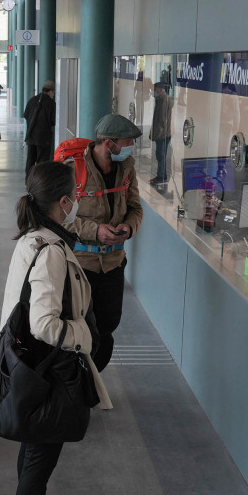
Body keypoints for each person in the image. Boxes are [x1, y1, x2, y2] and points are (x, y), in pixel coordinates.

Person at [0, 160, 110, 495]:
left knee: (33, 452)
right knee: (39, 458)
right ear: (63, 202)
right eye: (75, 195)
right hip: (45, 372)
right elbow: (43, 323)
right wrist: (82, 335)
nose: (79, 200)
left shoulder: (35, 238)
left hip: (29, 366)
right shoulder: (51, 253)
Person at [64, 114, 144, 371]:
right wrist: (94, 231)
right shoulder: (72, 169)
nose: (130, 145)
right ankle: (73, 384)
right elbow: (58, 219)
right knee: (77, 326)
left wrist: (128, 227)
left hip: (113, 265)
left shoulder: (127, 170)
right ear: (109, 143)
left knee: (106, 327)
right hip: (79, 265)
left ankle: (91, 382)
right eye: (127, 141)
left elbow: (135, 209)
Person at [23, 81, 57, 174]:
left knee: (30, 159)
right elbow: (53, 121)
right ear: (51, 91)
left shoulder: (32, 100)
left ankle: (28, 181)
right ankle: (40, 182)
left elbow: (25, 115)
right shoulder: (51, 103)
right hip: (43, 137)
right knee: (42, 161)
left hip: (31, 135)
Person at [149, 81, 172, 185]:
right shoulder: (161, 99)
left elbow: (162, 120)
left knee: (161, 155)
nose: (154, 91)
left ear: (160, 89)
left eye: (155, 89)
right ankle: (162, 175)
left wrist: (157, 134)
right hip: (163, 133)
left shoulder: (163, 101)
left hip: (162, 134)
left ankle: (161, 177)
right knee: (161, 155)